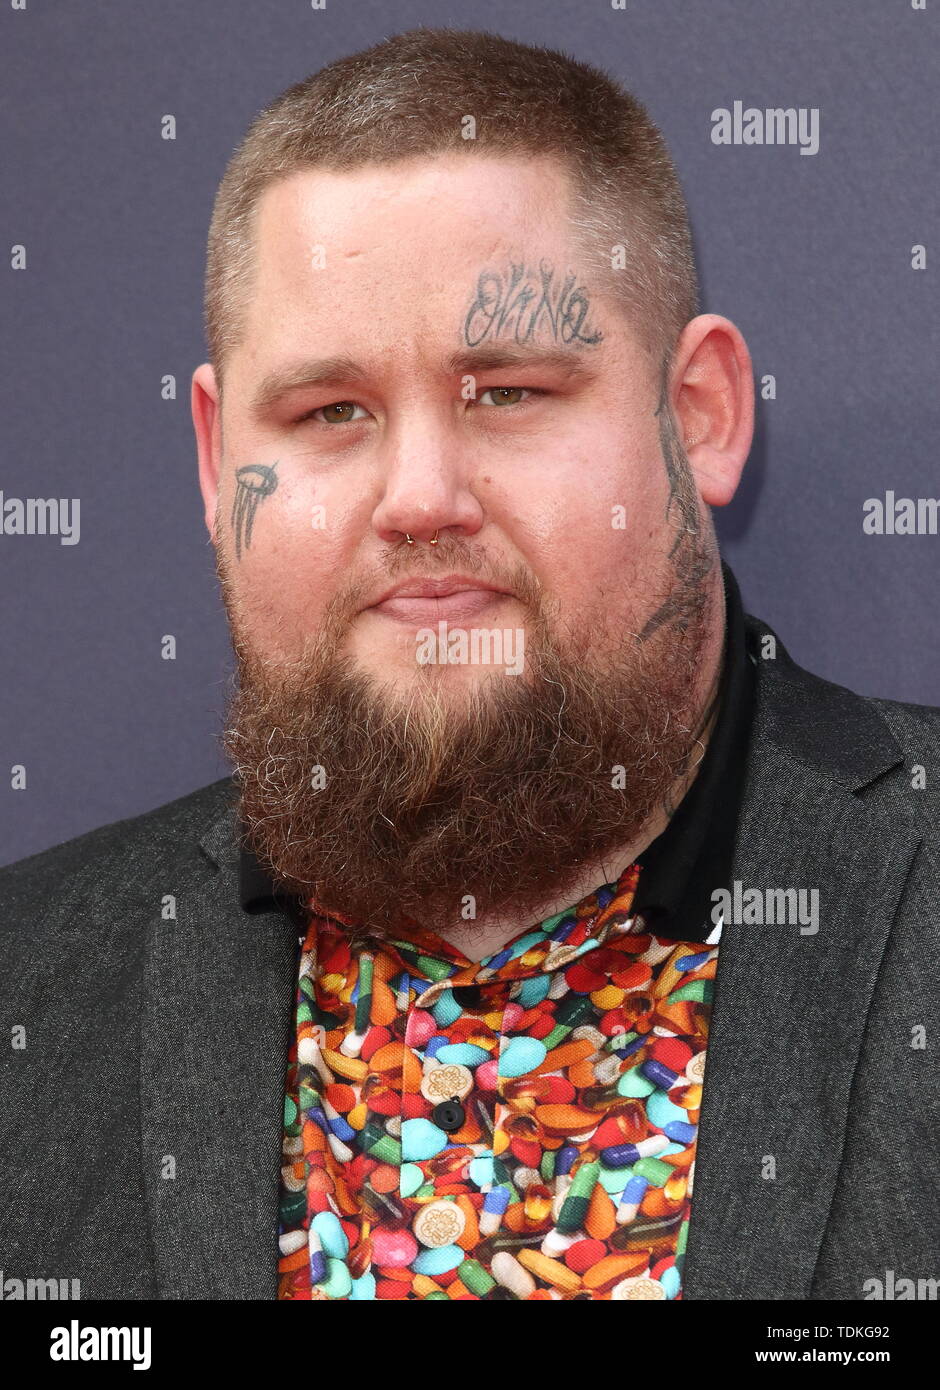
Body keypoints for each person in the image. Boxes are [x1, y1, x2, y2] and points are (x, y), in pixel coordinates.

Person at [1, 27, 937, 1303]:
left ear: (699, 415)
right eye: (330, 412)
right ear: (223, 467)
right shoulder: (28, 991)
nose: (421, 497)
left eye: (504, 391)